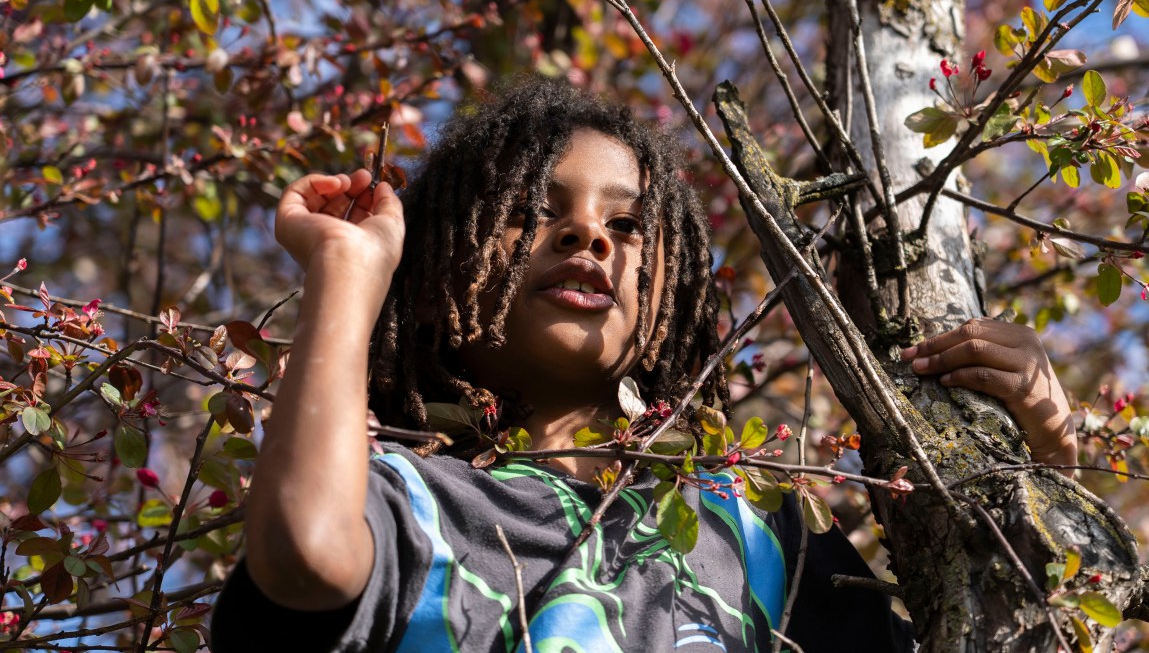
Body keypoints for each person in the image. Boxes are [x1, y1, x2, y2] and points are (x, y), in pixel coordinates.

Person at [210, 77, 1075, 652]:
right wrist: (350, 273)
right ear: (438, 274)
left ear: (671, 294)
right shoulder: (409, 503)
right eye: (532, 209)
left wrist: (1044, 466)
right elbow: (304, 557)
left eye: (627, 225)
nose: (588, 234)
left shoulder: (758, 529)